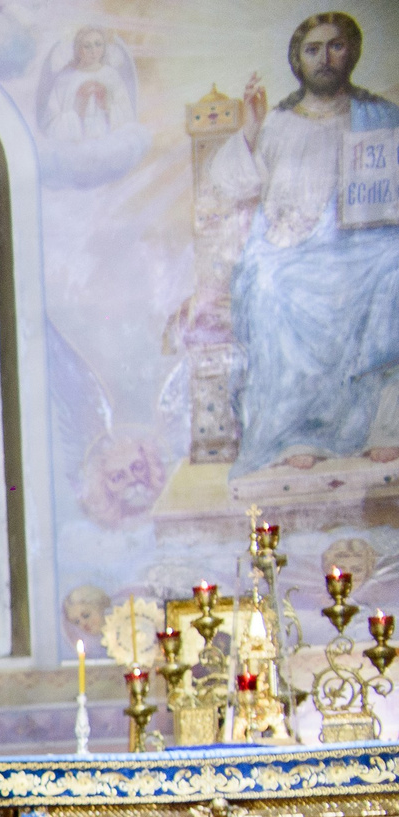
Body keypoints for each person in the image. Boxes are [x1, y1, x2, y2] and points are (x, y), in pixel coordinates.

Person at [210, 12, 399, 473]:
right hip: (292, 249)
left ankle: (384, 426)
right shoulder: (278, 123)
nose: (325, 58)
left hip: (366, 246)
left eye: (335, 46)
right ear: (298, 60)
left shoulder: (382, 117)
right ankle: (296, 431)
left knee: (396, 268)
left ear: (351, 51)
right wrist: (251, 129)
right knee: (271, 286)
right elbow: (228, 185)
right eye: (313, 49)